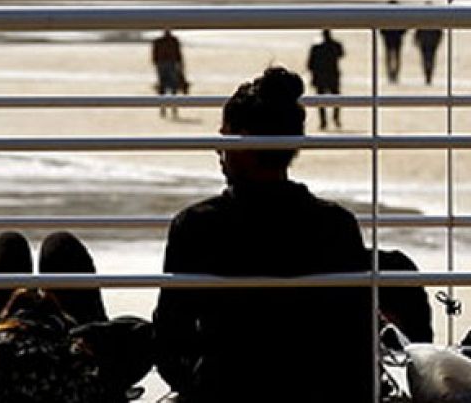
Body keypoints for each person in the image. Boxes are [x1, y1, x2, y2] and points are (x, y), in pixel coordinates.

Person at [155, 67, 373, 400]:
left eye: (225, 136)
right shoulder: (336, 225)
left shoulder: (198, 226)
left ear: (243, 141)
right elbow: (356, 344)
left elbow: (171, 340)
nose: (218, 149)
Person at [306, 29, 344, 130]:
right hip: (332, 75)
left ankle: (323, 121)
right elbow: (341, 54)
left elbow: (310, 65)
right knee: (336, 99)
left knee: (320, 100)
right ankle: (335, 118)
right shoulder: (335, 45)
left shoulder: (316, 47)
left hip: (321, 76)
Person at [152, 29, 187, 118]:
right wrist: (181, 67)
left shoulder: (159, 41)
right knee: (172, 87)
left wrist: (157, 64)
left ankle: (163, 109)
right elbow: (179, 56)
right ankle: (172, 109)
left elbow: (154, 56)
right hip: (170, 64)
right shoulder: (173, 41)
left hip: (162, 65)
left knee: (163, 87)